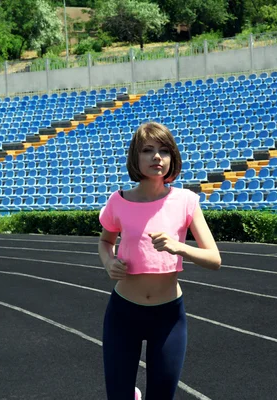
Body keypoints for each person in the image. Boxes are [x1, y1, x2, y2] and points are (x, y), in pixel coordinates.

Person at [98, 122, 221, 400]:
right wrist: (108, 263)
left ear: (172, 157)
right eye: (148, 150)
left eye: (164, 151)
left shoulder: (186, 201)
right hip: (123, 314)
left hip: (168, 317)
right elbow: (105, 242)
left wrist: (179, 247)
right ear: (135, 157)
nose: (157, 157)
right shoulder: (118, 202)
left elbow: (214, 259)